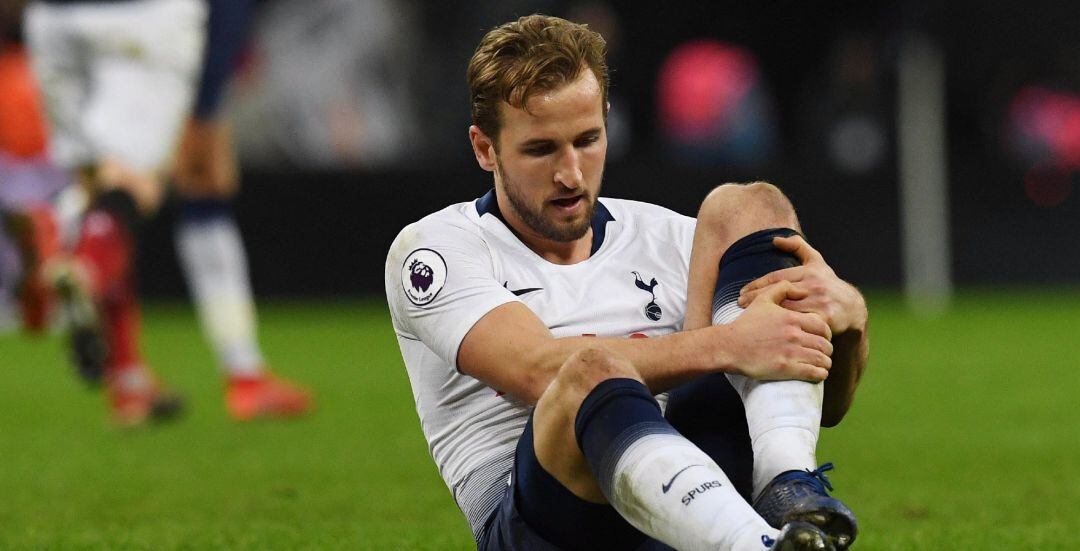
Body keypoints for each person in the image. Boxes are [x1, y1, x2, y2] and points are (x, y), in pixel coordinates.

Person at [385, 15, 868, 551]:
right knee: (589, 369)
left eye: (588, 140)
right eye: (541, 150)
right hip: (546, 525)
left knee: (748, 206)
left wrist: (846, 328)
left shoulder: (664, 236)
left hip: (695, 499)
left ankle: (788, 487)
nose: (571, 173)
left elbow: (828, 407)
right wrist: (734, 342)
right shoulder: (435, 250)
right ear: (485, 149)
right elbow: (534, 370)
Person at [171, 0, 311, 421]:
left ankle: (244, 374)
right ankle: (243, 374)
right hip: (159, 50)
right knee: (183, 190)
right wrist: (204, 112)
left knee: (123, 191)